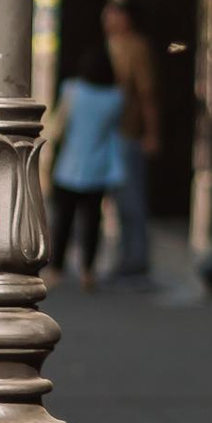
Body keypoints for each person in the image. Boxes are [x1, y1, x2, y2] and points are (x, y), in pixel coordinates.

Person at [48, 42, 125, 292]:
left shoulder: (72, 89)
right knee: (92, 221)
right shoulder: (116, 97)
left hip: (70, 164)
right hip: (99, 166)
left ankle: (57, 269)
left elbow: (59, 125)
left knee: (64, 219)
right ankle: (87, 271)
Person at [102, 0, 161, 284]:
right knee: (117, 199)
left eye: (114, 15)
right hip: (108, 132)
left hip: (128, 131)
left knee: (131, 198)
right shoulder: (107, 46)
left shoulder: (136, 47)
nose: (108, 20)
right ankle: (127, 256)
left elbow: (147, 93)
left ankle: (137, 258)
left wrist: (151, 133)